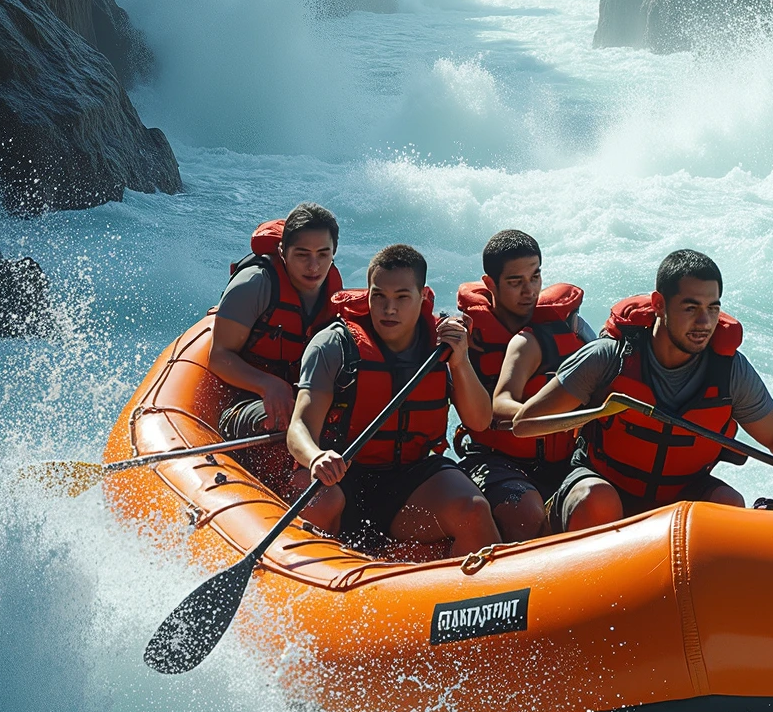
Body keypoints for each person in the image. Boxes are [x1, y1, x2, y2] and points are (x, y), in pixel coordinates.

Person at [514, 248, 773, 529]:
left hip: (680, 494)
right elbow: (524, 424)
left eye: (712, 308)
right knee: (598, 501)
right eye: (691, 308)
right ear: (659, 304)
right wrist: (599, 412)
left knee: (729, 503)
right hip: (601, 486)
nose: (704, 323)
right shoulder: (608, 357)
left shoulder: (730, 371)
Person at [287, 244, 500, 555]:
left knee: (474, 510)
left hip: (408, 478)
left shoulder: (442, 345)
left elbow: (479, 421)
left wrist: (460, 362)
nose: (389, 309)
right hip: (340, 473)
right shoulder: (334, 344)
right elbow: (300, 427)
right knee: (323, 501)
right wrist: (316, 457)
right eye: (379, 297)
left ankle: (461, 598)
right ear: (368, 293)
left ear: (424, 296)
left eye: (402, 298)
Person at [455, 229, 596, 540]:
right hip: (492, 459)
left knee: (600, 499)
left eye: (535, 277)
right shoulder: (466, 338)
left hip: (566, 460)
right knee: (527, 513)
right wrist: (549, 417)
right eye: (515, 282)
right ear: (490, 284)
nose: (529, 291)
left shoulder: (568, 326)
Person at [208, 204, 343, 495]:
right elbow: (219, 357)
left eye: (323, 254)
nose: (314, 267)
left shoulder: (333, 291)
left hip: (300, 396)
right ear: (283, 252)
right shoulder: (254, 284)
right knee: (285, 419)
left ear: (334, 252)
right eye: (302, 255)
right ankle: (278, 494)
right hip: (243, 401)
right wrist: (267, 385)